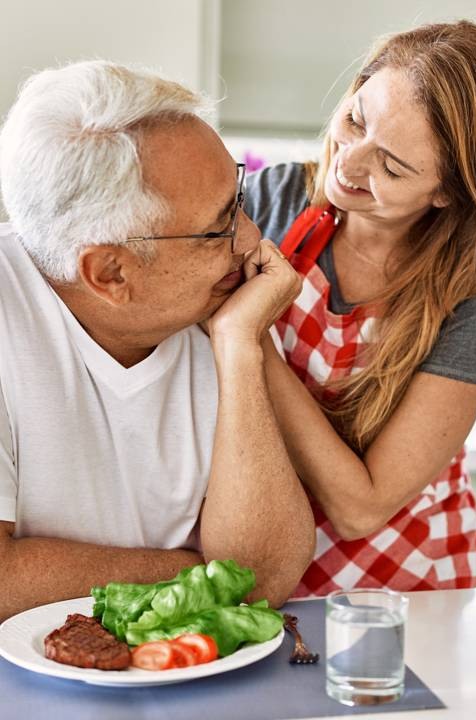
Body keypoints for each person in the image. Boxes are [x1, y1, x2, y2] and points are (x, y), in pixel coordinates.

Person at [0, 60, 315, 621]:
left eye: (239, 201)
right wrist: (203, 574)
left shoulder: (227, 306)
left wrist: (240, 347)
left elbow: (264, 579)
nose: (252, 240)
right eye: (217, 229)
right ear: (110, 274)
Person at [244, 21, 476, 596]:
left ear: (449, 191)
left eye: (392, 166)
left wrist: (248, 340)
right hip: (265, 557)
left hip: (405, 583)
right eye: (355, 121)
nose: (349, 164)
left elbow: (362, 508)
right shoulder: (270, 203)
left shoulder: (475, 292)